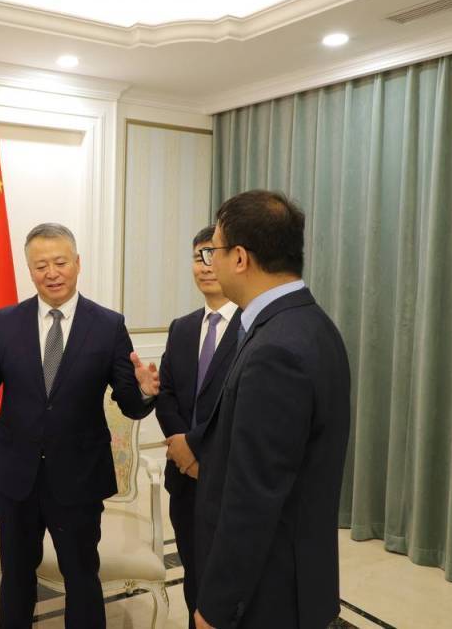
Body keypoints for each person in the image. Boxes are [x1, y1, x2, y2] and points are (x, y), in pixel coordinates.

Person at [0, 222, 159, 628]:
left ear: (78, 263)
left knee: (81, 575)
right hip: (17, 474)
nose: (52, 273)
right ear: (29, 271)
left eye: (60, 262)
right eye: (41, 265)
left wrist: (144, 391)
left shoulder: (108, 325)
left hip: (79, 475)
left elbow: (130, 402)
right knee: (16, 576)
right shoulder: (5, 322)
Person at [186, 190, 351, 629]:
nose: (210, 262)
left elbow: (253, 496)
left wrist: (216, 606)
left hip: (267, 594)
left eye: (214, 251)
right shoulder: (310, 324)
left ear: (240, 257)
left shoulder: (276, 349)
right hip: (293, 576)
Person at [156, 224, 241, 628]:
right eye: (197, 257)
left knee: (229, 582)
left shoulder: (254, 328)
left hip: (227, 478)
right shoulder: (183, 327)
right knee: (194, 575)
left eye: (213, 255)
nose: (205, 266)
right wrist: (184, 452)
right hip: (184, 479)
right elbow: (167, 393)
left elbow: (239, 409)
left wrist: (200, 453)